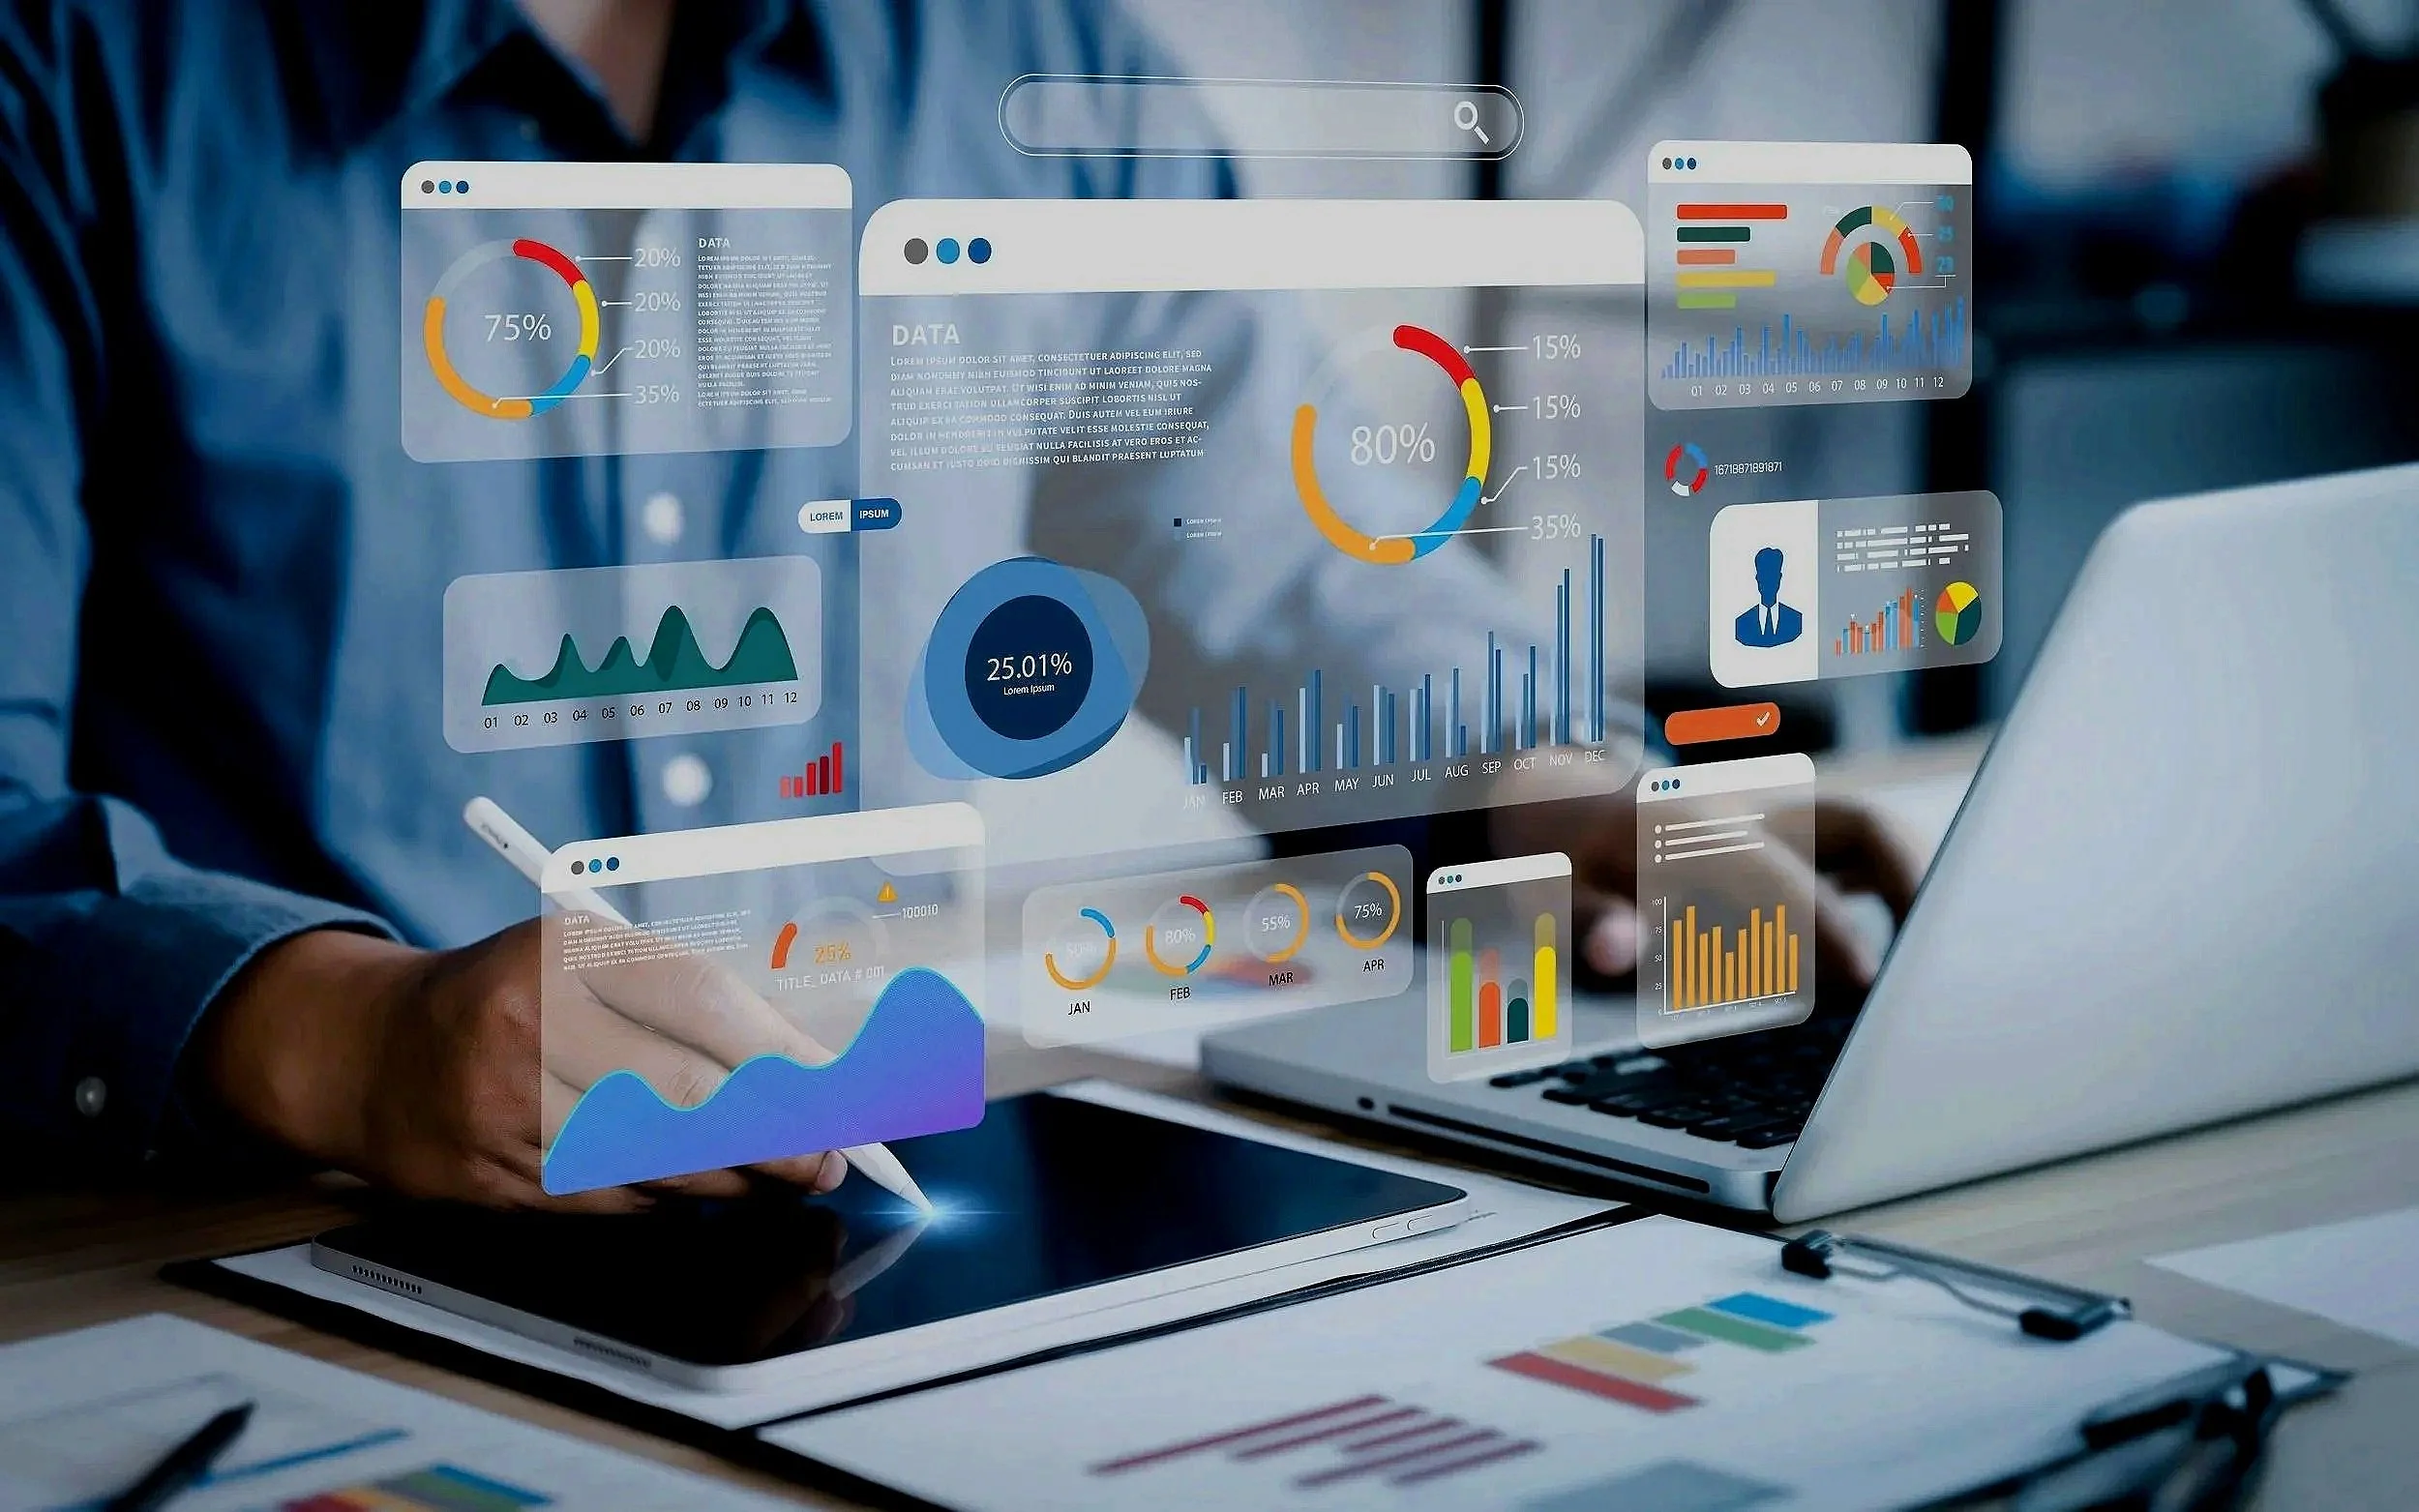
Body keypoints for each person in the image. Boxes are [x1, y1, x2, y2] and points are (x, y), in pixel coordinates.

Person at [0, 0, 1920, 1211]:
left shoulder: (1025, 58)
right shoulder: (68, 68)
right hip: (239, 1235)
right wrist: (346, 1034)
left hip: (877, 1208)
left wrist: (1566, 796)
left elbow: (1262, 556)